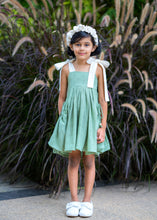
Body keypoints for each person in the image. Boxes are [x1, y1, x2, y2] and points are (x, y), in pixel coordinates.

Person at [48, 24, 110, 217]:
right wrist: (62, 122)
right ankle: (74, 200)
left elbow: (102, 100)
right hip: (72, 121)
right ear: (71, 47)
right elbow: (62, 97)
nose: (81, 48)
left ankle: (87, 201)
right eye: (77, 45)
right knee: (73, 160)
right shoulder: (65, 68)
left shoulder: (98, 69)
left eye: (86, 44)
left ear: (93, 47)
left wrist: (102, 126)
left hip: (91, 121)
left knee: (89, 161)